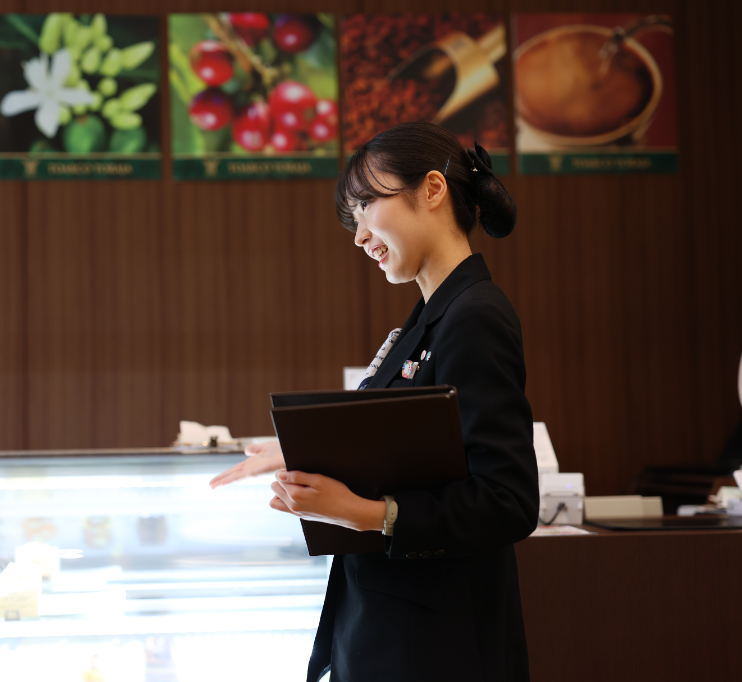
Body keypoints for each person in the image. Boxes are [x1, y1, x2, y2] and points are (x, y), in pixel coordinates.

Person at [211, 121, 539, 682]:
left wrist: (359, 513)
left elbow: (506, 500)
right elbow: (410, 453)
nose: (359, 235)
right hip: (395, 633)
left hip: (439, 648)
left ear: (432, 190)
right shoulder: (429, 317)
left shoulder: (474, 316)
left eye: (366, 205)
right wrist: (304, 450)